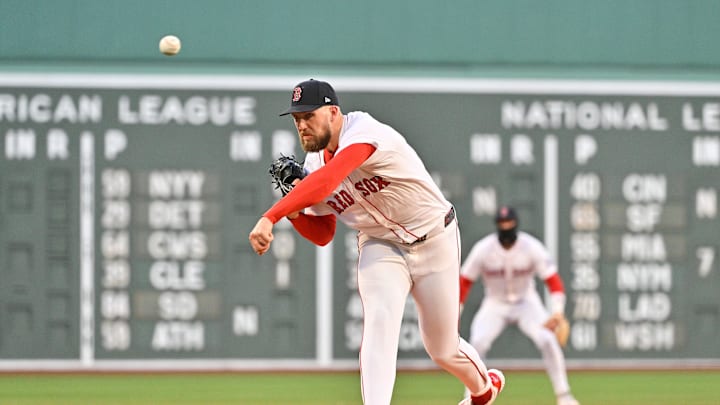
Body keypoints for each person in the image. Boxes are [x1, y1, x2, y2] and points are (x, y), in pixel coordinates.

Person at [249, 79, 505, 405]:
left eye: (309, 116)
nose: (302, 126)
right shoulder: (313, 167)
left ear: (333, 112)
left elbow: (331, 178)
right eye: (297, 120)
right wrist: (296, 212)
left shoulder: (364, 131)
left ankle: (483, 390)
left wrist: (271, 215)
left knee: (442, 348)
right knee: (380, 322)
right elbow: (324, 233)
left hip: (434, 237)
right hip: (380, 245)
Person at [459, 206, 580, 405]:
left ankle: (564, 396)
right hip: (495, 303)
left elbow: (553, 280)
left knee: (548, 340)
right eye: (502, 224)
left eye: (509, 223)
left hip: (526, 302)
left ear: (516, 224)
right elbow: (464, 282)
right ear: (497, 226)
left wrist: (557, 312)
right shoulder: (484, 249)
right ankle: (471, 397)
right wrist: (456, 313)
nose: (506, 227)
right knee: (477, 343)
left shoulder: (531, 247)